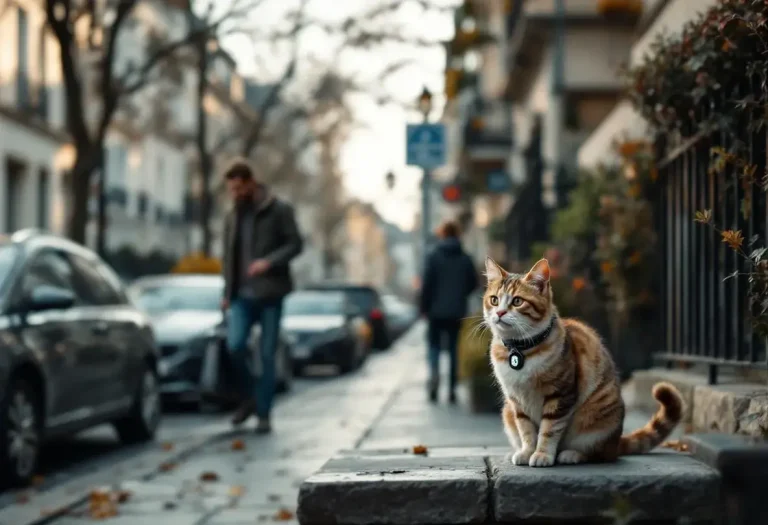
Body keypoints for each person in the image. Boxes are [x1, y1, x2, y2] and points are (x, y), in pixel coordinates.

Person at [220, 157, 303, 433]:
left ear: (251, 183)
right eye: (231, 190)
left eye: (238, 189)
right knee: (235, 346)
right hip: (241, 295)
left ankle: (264, 414)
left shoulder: (279, 209)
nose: (234, 194)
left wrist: (269, 262)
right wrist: (226, 292)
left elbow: (296, 244)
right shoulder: (232, 216)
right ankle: (249, 398)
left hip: (270, 294)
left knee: (267, 355)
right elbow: (228, 257)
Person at [419, 220, 478, 403]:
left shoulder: (433, 256)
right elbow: (473, 283)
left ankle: (434, 376)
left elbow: (427, 285)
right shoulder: (465, 258)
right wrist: (460, 294)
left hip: (435, 311)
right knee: (453, 349)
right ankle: (452, 388)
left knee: (434, 346)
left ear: (442, 234)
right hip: (457, 311)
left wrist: (424, 307)